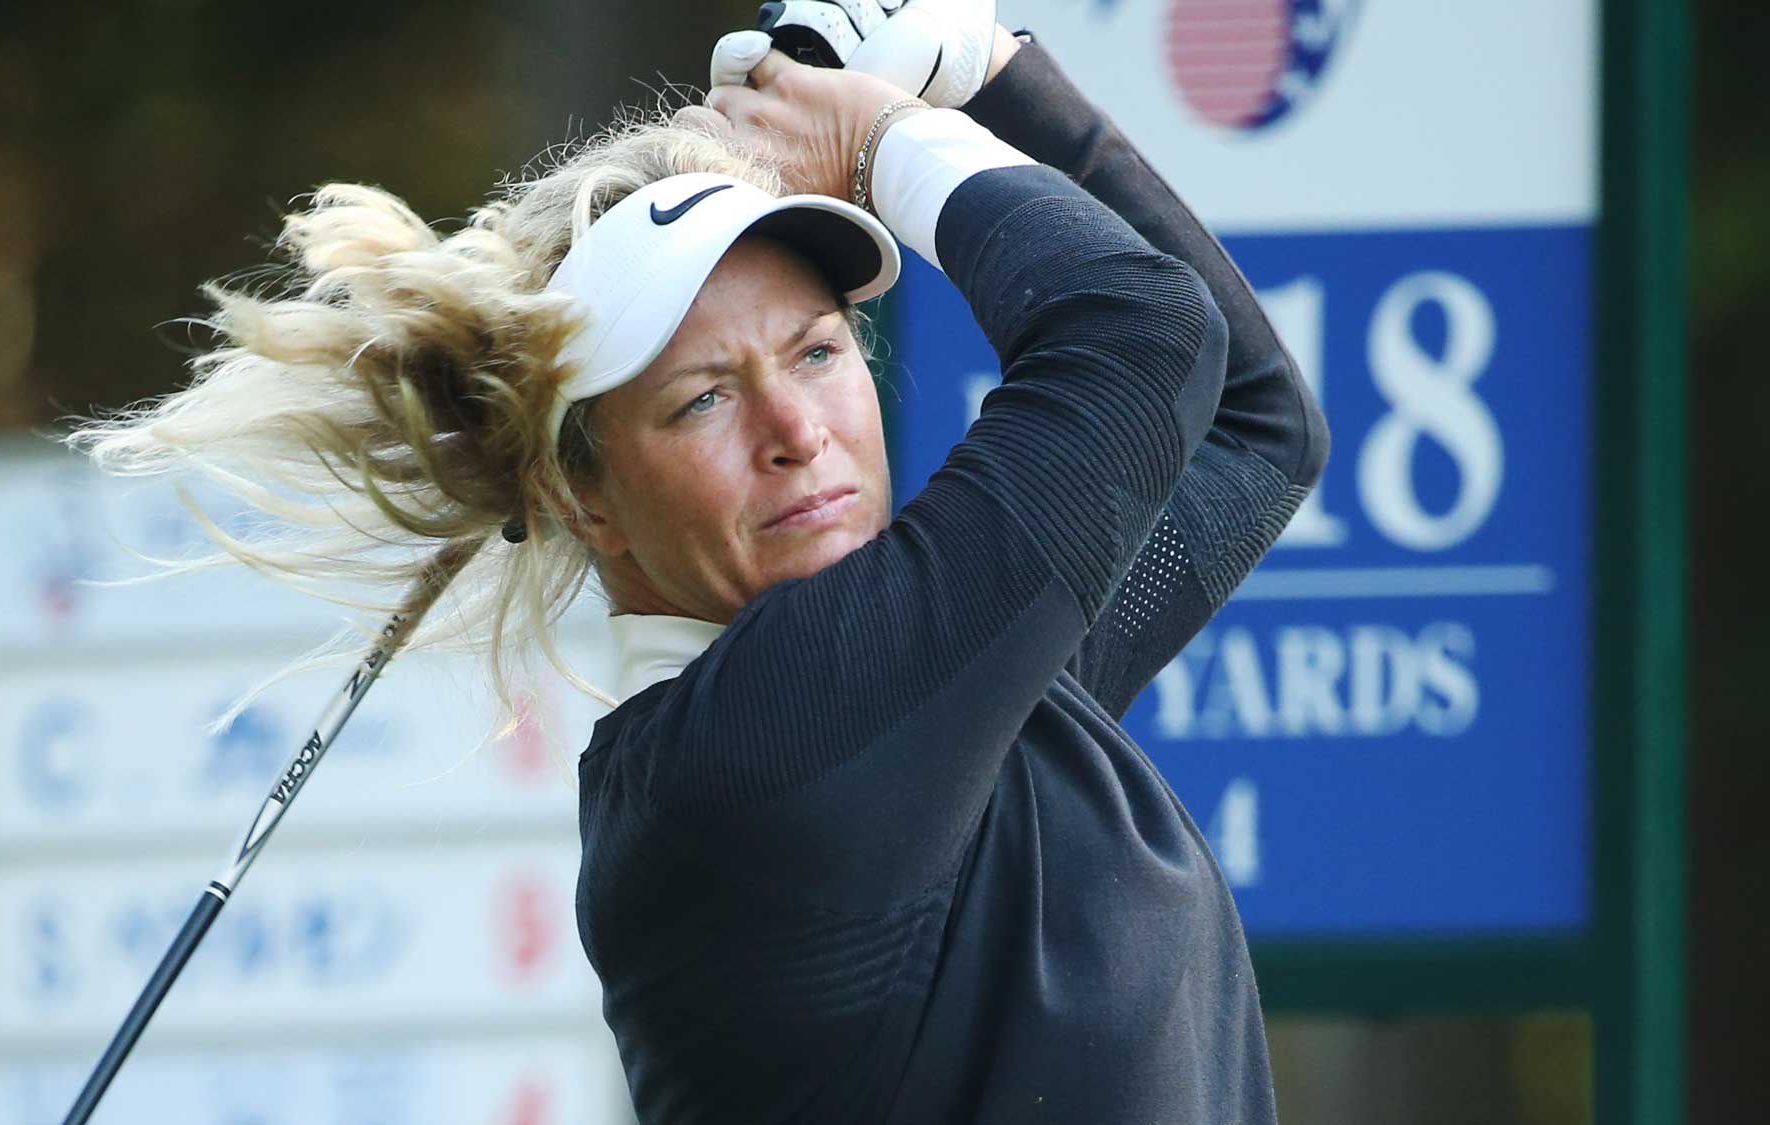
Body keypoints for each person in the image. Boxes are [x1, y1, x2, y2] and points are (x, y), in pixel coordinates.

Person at [73, 6, 1325, 1121]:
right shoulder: (761, 758)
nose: (797, 434)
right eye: (701, 402)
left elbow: (1253, 430)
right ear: (587, 497)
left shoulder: (930, 700)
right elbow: (1144, 338)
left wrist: (986, 73)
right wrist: (895, 131)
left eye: (819, 352)